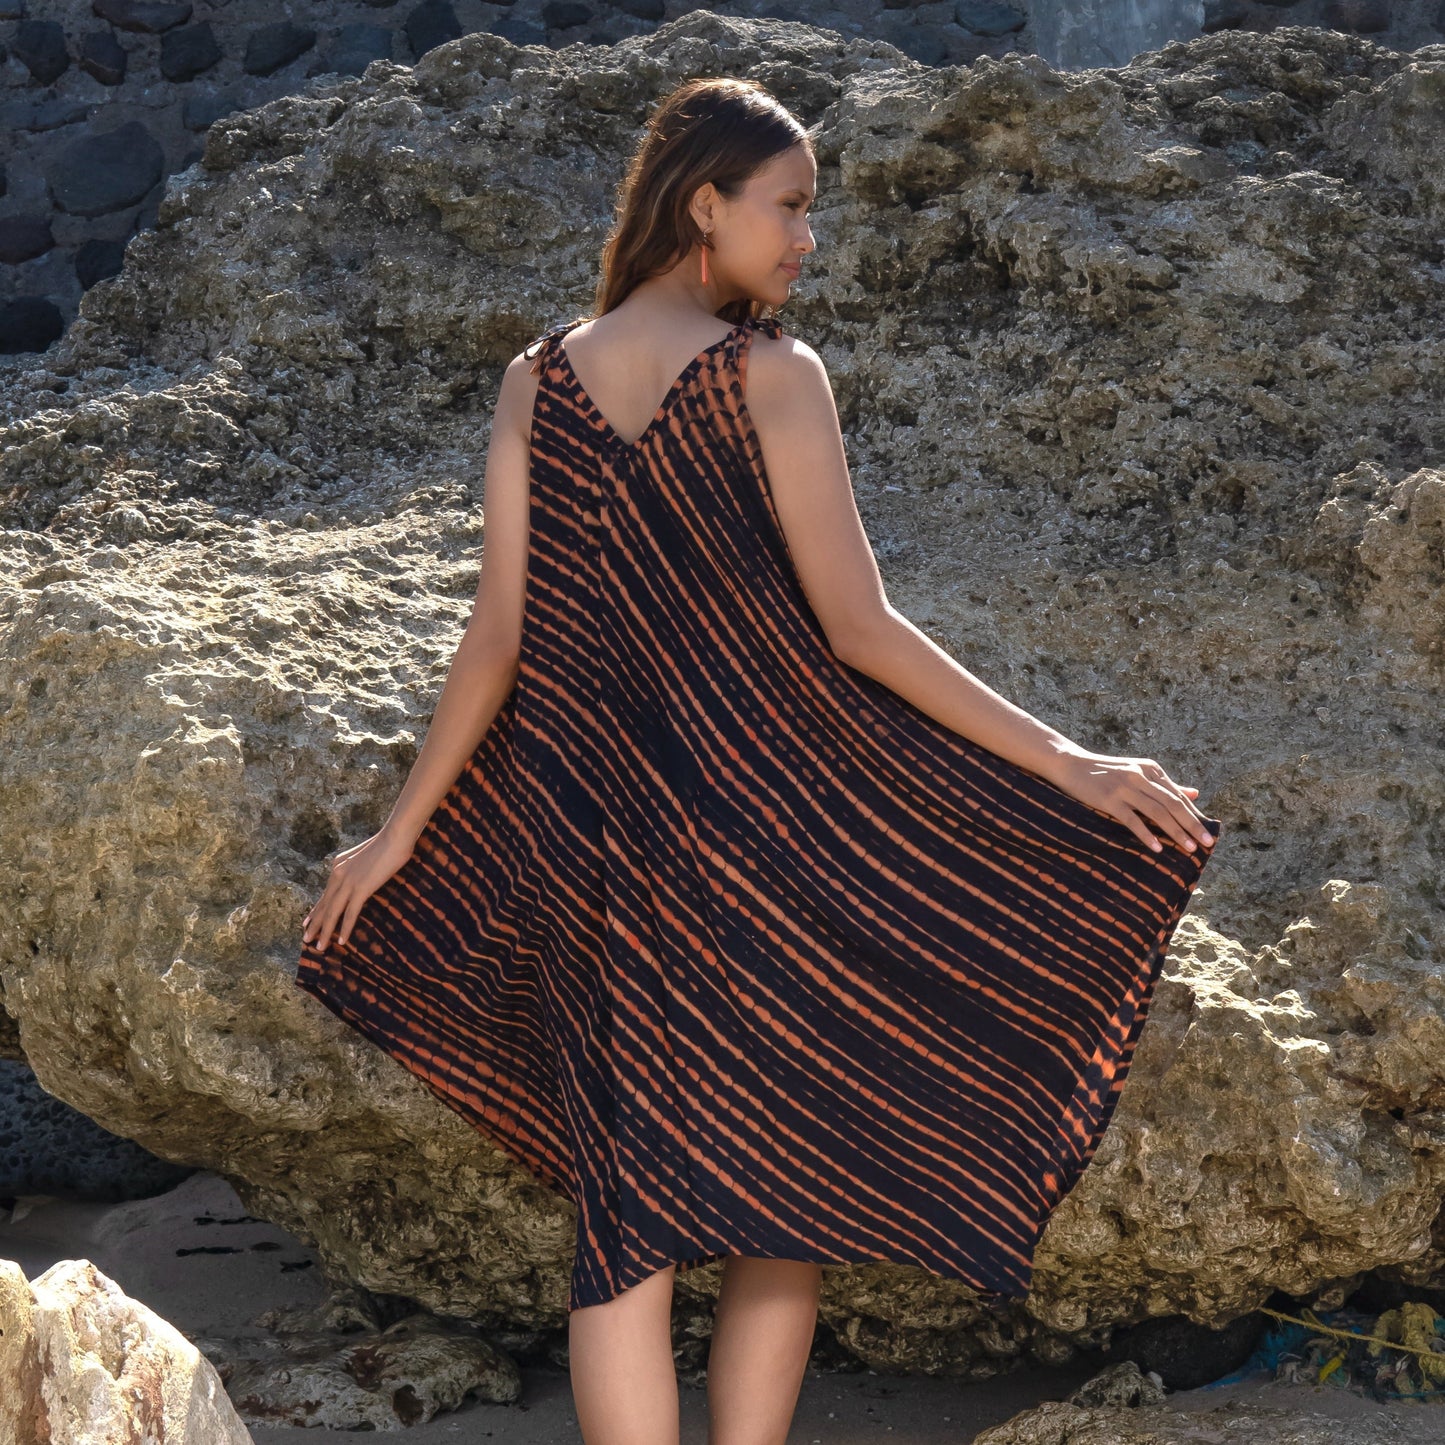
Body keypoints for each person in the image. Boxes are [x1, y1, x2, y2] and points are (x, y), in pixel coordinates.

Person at [296, 75, 1221, 1445]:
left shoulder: (533, 380)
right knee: (773, 1185)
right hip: (759, 840)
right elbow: (858, 629)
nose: (805, 241)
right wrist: (1067, 761)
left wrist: (402, 833)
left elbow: (493, 639)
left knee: (625, 1216)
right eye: (788, 208)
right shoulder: (770, 379)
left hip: (589, 855)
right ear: (703, 202)